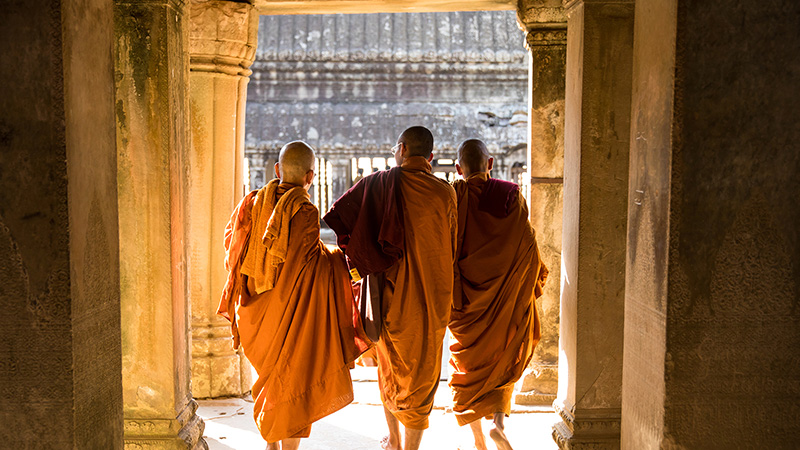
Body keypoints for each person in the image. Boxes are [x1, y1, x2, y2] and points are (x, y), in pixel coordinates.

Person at [217, 141, 367, 450]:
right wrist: (344, 260)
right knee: (295, 378)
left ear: (277, 170)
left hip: (257, 316)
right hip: (292, 316)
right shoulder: (304, 210)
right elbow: (310, 264)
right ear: (311, 176)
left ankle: (272, 444)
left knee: (275, 380)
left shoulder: (252, 203)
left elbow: (232, 245)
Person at [324, 126, 457, 450]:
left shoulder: (377, 185)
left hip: (386, 298)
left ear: (401, 149)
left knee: (388, 366)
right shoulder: (444, 194)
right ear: (430, 156)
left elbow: (348, 228)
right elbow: (450, 244)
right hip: (430, 299)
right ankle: (409, 446)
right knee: (422, 374)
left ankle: (395, 441)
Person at [448, 139, 548, 450]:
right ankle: (498, 424)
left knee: (468, 368)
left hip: (467, 304)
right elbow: (527, 245)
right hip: (504, 299)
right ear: (490, 164)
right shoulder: (510, 195)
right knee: (505, 358)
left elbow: (444, 247)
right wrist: (531, 278)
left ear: (458, 169)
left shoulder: (454, 197)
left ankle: (479, 441)